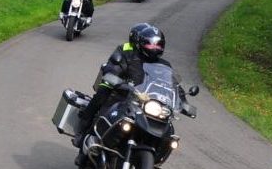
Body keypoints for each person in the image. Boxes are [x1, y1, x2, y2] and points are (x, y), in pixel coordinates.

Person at [72, 23, 195, 154]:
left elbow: (173, 85)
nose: (154, 47)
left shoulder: (164, 65)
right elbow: (113, 68)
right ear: (139, 43)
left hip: (146, 102)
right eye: (150, 44)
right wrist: (117, 79)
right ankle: (84, 133)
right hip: (122, 92)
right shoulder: (126, 52)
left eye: (158, 45)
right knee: (102, 95)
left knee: (167, 127)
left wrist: (184, 102)